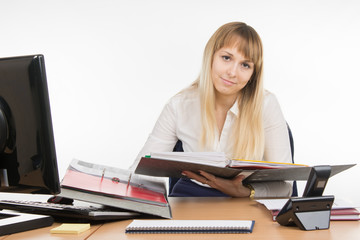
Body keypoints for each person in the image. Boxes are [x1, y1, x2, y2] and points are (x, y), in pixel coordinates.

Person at [130, 22, 293, 198]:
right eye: (226, 58)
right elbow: (141, 173)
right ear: (211, 56)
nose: (232, 72)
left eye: (245, 65)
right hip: (191, 197)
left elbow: (285, 186)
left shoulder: (266, 105)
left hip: (244, 199)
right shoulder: (179, 105)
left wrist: (246, 192)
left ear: (254, 73)